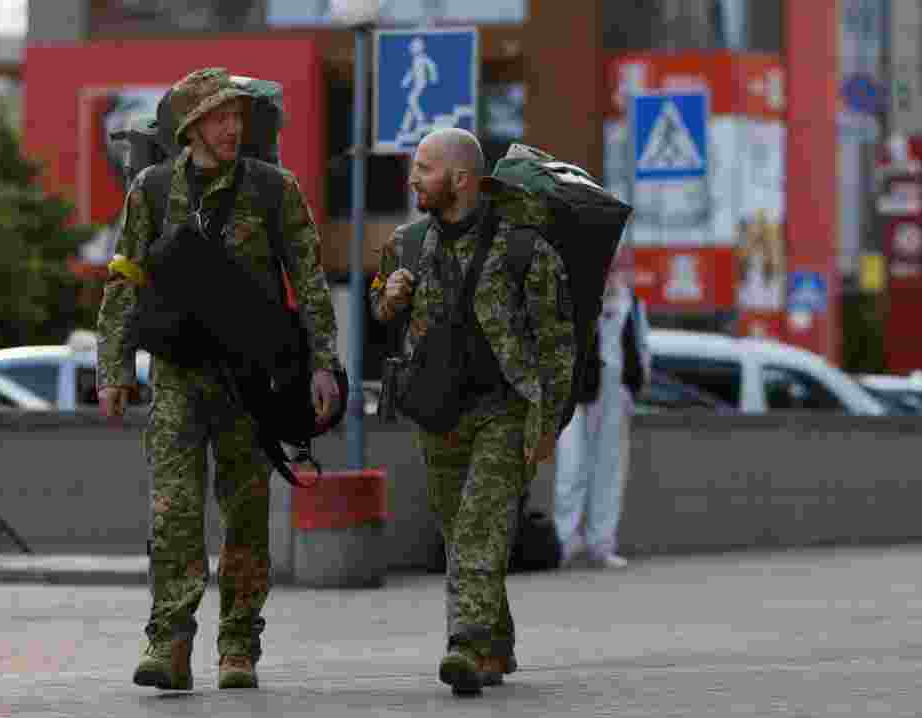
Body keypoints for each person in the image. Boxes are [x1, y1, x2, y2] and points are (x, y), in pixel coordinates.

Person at [96, 68, 341, 691]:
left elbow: (309, 281)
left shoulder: (271, 189)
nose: (232, 127)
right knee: (173, 512)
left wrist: (322, 363)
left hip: (248, 380)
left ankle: (238, 645)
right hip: (178, 376)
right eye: (218, 117)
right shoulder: (150, 190)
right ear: (189, 126)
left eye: (237, 116)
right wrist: (114, 367)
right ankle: (169, 643)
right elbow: (124, 281)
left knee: (245, 513)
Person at [370, 130, 575, 695]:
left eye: (423, 168)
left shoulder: (524, 251)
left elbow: (558, 346)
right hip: (438, 412)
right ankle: (495, 642)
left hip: (503, 412)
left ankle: (464, 642)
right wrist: (389, 295)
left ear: (460, 179)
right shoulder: (408, 243)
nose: (413, 178)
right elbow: (379, 307)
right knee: (461, 533)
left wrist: (548, 425)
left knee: (483, 524)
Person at [553, 283, 649, 569]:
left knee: (609, 466)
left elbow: (641, 344)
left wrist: (634, 388)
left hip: (614, 390)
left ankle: (601, 543)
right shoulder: (575, 289)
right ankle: (564, 539)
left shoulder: (630, 299)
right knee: (571, 464)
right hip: (579, 389)